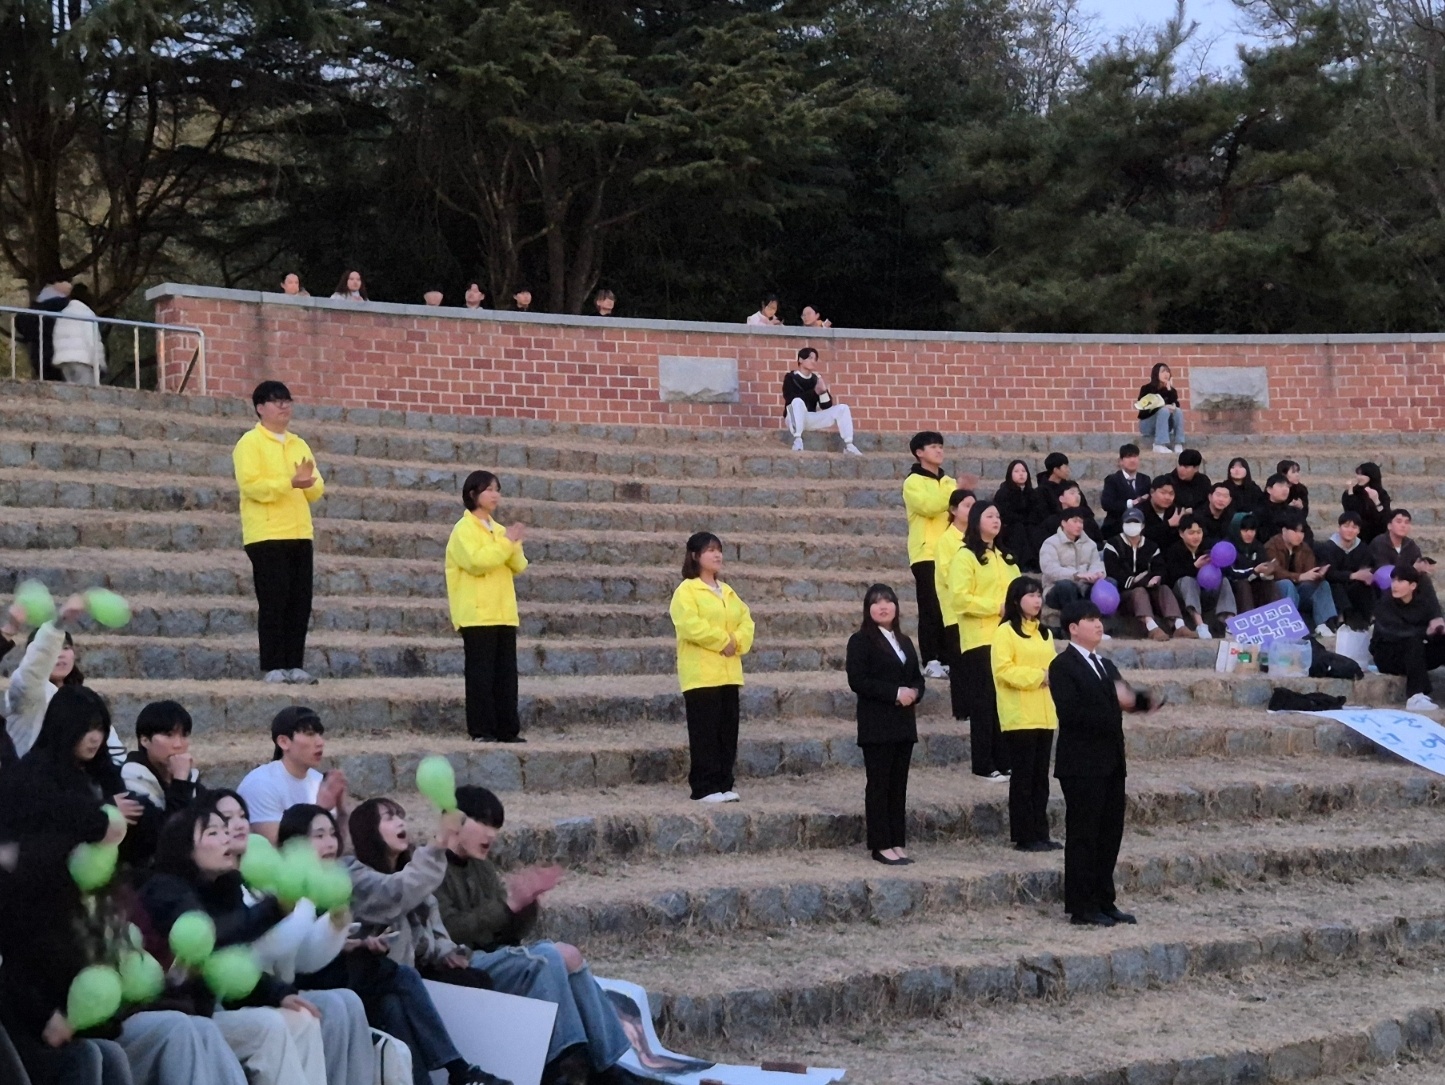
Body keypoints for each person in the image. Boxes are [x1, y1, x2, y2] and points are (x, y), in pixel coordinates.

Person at [436, 787, 649, 1085]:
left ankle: (607, 1064)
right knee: (548, 957)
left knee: (569, 955)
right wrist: (508, 905)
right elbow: (450, 930)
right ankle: (567, 1061)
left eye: (495, 827)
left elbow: (506, 934)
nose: (491, 834)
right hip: (457, 964)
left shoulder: (482, 867)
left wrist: (525, 905)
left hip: (491, 956)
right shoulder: (429, 868)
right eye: (483, 824)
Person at [278, 807, 500, 1085]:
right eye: (319, 835)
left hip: (354, 973)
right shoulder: (299, 882)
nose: (330, 842)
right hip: (312, 981)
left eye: (333, 834)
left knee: (393, 1003)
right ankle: (458, 1069)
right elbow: (392, 894)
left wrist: (356, 944)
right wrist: (437, 844)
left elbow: (429, 924)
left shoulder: (341, 873)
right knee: (400, 976)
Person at [139, 808, 328, 1085]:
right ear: (185, 847)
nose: (226, 838)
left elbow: (228, 965)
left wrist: (277, 993)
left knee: (302, 1018)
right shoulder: (165, 889)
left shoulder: (221, 888)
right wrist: (275, 908)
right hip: (172, 1019)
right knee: (269, 1027)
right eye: (213, 832)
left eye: (226, 830)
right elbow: (210, 939)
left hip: (207, 1013)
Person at [344, 799, 510, 1015]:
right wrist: (440, 841)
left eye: (400, 816)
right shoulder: (355, 874)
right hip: (385, 980)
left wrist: (447, 953)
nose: (400, 822)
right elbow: (396, 892)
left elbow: (435, 928)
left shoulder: (409, 872)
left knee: (476, 979)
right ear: (368, 829)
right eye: (389, 818)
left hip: (420, 971)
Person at [1049, 600, 1155, 926]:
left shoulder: (1106, 665)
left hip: (1111, 761)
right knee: (1084, 834)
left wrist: (1143, 702)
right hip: (1081, 764)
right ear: (1073, 628)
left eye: (1098, 618)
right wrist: (1115, 700)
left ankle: (1104, 900)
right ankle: (1081, 906)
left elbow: (1125, 700)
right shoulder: (1062, 666)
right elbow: (1071, 713)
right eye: (1090, 619)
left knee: (1110, 833)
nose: (1098, 624)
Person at [233, 380, 324, 684]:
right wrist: (290, 483)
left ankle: (295, 663)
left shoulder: (299, 444)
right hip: (266, 534)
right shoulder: (250, 443)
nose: (284, 406)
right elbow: (252, 486)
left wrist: (308, 483)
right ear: (260, 408)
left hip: (299, 532)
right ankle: (273, 665)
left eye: (287, 400)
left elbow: (316, 488)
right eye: (276, 401)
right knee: (274, 600)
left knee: (300, 600)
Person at [669, 532, 754, 803]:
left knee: (727, 732)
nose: (717, 555)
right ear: (695, 556)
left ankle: (724, 783)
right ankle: (704, 787)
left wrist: (736, 641)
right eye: (710, 550)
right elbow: (689, 626)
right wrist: (723, 641)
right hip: (701, 674)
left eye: (719, 550)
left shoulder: (728, 591)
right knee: (704, 732)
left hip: (728, 672)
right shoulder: (686, 591)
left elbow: (746, 621)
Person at [446, 471, 529, 744]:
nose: (495, 495)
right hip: (477, 613)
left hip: (503, 612)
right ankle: (482, 730)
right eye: (489, 490)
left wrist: (513, 543)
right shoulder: (463, 529)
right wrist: (506, 544)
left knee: (506, 676)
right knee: (480, 676)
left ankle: (507, 729)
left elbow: (519, 565)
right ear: (473, 494)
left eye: (497, 489)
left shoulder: (499, 530)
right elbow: (477, 562)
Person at [845, 585, 924, 865]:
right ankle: (880, 844)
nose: (883, 606)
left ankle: (897, 841)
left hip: (903, 724)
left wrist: (915, 692)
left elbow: (916, 676)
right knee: (879, 785)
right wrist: (895, 693)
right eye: (876, 602)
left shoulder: (904, 640)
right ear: (868, 609)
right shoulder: (860, 641)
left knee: (898, 785)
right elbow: (858, 680)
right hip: (877, 725)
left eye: (888, 601)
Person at [3, 594, 123, 764]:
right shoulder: (27, 692)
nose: (60, 655)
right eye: (54, 649)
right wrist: (58, 624)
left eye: (66, 648)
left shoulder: (85, 698)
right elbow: (35, 667)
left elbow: (114, 751)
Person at [949, 501, 1019, 780]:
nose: (996, 520)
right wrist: (996, 607)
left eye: (998, 516)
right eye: (990, 516)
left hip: (1007, 638)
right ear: (976, 521)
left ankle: (1003, 759)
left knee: (1003, 701)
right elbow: (960, 598)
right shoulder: (965, 556)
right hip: (980, 639)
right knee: (984, 702)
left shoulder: (1005, 557)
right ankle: (983, 763)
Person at [993, 577, 1060, 852]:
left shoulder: (1045, 633)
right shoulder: (1005, 632)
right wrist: (1039, 677)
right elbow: (1003, 671)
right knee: (1023, 778)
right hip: (1019, 715)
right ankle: (1024, 835)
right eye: (1030, 595)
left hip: (1045, 714)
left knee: (1040, 778)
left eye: (1039, 595)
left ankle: (1040, 832)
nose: (1036, 600)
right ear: (1016, 599)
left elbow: (1054, 667)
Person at [236, 706, 350, 845]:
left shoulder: (318, 781)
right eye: (309, 734)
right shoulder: (261, 785)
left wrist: (342, 812)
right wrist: (320, 810)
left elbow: (337, 848)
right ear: (284, 742)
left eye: (320, 734)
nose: (320, 742)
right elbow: (279, 848)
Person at [903, 432, 956, 678]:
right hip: (925, 553)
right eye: (933, 446)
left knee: (948, 606)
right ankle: (931, 659)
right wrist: (954, 496)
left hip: (950, 553)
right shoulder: (913, 482)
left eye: (940, 446)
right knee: (929, 607)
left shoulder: (949, 481)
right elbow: (930, 506)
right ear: (919, 452)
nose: (939, 450)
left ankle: (947, 658)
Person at [1102, 508, 1186, 640]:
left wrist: (1156, 578)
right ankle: (1152, 627)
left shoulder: (1151, 546)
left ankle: (1179, 625)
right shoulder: (1113, 545)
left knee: (1164, 588)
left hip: (1149, 590)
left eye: (1136, 522)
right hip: (1124, 594)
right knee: (1139, 591)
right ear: (1122, 524)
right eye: (1128, 522)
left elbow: (1160, 567)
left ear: (1142, 526)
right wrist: (1138, 581)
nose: (1132, 526)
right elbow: (1114, 572)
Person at [1370, 566, 1445, 711]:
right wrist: (1425, 632)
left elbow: (1431, 631)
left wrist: (1438, 631)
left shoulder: (1423, 604)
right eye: (1393, 580)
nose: (1395, 585)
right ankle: (1415, 696)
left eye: (1400, 581)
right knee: (1413, 641)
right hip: (1388, 656)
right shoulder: (1385, 604)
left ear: (1413, 586)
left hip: (1415, 656)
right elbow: (1394, 632)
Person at [1264, 513, 1338, 639]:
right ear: (1284, 530)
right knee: (1286, 584)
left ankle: (1323, 624)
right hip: (1277, 591)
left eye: (1302, 532)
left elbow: (1308, 572)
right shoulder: (1271, 546)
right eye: (1295, 531)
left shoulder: (1304, 548)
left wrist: (1317, 574)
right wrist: (1299, 577)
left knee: (1322, 585)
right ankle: (1290, 624)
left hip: (1299, 591)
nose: (1299, 535)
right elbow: (1276, 572)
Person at [934, 490, 974, 722]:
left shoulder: (976, 538)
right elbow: (950, 575)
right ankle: (961, 710)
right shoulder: (946, 540)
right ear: (953, 510)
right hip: (955, 611)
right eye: (967, 505)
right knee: (959, 664)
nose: (971, 510)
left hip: (976, 611)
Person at [1163, 515, 1235, 639]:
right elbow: (1171, 576)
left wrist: (1216, 564)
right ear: (1181, 533)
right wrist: (1195, 566)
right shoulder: (1174, 550)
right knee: (1188, 580)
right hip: (1183, 595)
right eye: (1191, 533)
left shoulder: (1208, 548)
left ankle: (1230, 623)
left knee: (1224, 581)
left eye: (1199, 532)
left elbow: (1228, 571)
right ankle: (1200, 625)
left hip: (1207, 592)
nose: (1196, 536)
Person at [781, 348, 861, 455]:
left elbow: (826, 406)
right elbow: (790, 398)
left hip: (810, 417)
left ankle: (849, 445)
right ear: (800, 360)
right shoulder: (791, 378)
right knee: (797, 402)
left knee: (843, 408)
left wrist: (823, 392)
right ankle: (797, 441)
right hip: (793, 417)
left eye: (815, 359)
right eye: (810, 358)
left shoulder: (816, 379)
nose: (813, 361)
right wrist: (815, 392)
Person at [1315, 512, 1376, 631]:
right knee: (1335, 585)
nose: (1350, 530)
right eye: (1346, 526)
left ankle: (1371, 618)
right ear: (1339, 528)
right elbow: (1330, 574)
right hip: (1336, 585)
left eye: (1354, 527)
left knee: (1365, 586)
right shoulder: (1328, 548)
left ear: (1359, 530)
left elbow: (1366, 569)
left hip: (1355, 586)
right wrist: (1352, 575)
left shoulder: (1363, 548)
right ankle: (1341, 619)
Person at [1038, 508, 1105, 612]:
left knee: (1108, 583)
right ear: (1063, 523)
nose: (1079, 525)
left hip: (1083, 587)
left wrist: (1096, 574)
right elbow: (1050, 570)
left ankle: (1096, 618)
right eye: (1075, 521)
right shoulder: (1050, 543)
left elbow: (1096, 564)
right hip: (1056, 589)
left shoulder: (1090, 544)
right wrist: (1075, 575)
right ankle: (1073, 619)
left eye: (1081, 522)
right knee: (1066, 586)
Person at [14, 273, 73, 380]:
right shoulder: (64, 306)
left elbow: (22, 325)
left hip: (40, 355)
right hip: (61, 355)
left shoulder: (34, 310)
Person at [52, 282, 106, 385]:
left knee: (71, 390)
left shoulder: (63, 313)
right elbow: (92, 340)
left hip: (64, 360)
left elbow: (56, 336)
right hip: (82, 359)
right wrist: (99, 361)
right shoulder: (87, 313)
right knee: (86, 390)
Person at [993, 459, 1041, 573]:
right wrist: (1021, 519)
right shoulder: (1003, 493)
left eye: (1024, 471)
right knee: (1018, 529)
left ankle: (1035, 562)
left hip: (1028, 524)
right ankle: (1022, 562)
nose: (1021, 474)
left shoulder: (1032, 493)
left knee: (1035, 530)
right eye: (1016, 471)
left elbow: (1037, 512)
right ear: (1010, 474)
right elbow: (1004, 513)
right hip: (1010, 526)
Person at [1031, 483, 1102, 556]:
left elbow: (1099, 542)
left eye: (1078, 493)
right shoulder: (1052, 521)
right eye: (1072, 493)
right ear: (1061, 498)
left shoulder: (1088, 519)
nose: (1077, 496)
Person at [1224, 514, 1275, 614]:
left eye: (1252, 530)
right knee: (1243, 585)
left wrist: (1267, 570)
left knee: (1269, 584)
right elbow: (1231, 572)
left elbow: (1262, 563)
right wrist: (1254, 570)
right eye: (1245, 530)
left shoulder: (1257, 546)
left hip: (1253, 584)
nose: (1249, 534)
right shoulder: (1228, 547)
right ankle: (1248, 617)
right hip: (1233, 588)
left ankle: (1276, 616)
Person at [1099, 444, 1150, 537]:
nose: (1132, 460)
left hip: (1141, 525)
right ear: (1121, 461)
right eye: (1128, 457)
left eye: (1135, 456)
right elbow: (1107, 504)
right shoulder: (1112, 480)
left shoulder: (1145, 479)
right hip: (1117, 525)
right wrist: (1131, 503)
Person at [1368, 509, 1433, 578]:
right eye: (1399, 522)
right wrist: (1413, 569)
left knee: (1424, 579)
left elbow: (1417, 562)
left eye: (1406, 522)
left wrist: (1422, 567)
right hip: (1382, 580)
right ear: (1389, 526)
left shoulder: (1410, 544)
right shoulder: (1379, 543)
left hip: (1406, 580)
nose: (1403, 525)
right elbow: (1383, 571)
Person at [1135, 362, 1184, 453]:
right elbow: (1143, 409)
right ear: (1156, 373)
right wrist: (1162, 407)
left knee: (1178, 411)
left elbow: (1176, 404)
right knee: (1164, 410)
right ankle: (1159, 444)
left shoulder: (1171, 390)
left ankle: (1178, 443)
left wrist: (1169, 391)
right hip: (1148, 423)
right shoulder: (1146, 388)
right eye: (1163, 371)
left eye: (1167, 371)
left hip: (1165, 425)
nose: (1166, 374)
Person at [1342, 463, 1392, 544]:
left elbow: (1385, 518)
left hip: (1377, 536)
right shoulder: (1352, 492)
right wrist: (1350, 492)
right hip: (1357, 537)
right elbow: (1351, 513)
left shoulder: (1382, 494)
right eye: (1358, 474)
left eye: (1362, 475)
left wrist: (1376, 501)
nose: (1358, 477)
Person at [1258, 473, 1306, 544]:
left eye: (1287, 486)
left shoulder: (1294, 511)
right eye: (1280, 486)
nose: (1285, 489)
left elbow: (1306, 532)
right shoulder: (1260, 512)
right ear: (1269, 489)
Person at [1139, 476, 1182, 550]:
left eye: (1171, 493)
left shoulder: (1175, 511)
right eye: (1163, 493)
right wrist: (1168, 524)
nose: (1167, 497)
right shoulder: (1140, 511)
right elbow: (1141, 536)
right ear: (1152, 492)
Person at [1166, 450, 1211, 517]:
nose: (1181, 470)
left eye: (1186, 467)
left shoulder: (1203, 481)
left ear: (1196, 468)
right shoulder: (1168, 480)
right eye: (1180, 465)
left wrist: (1194, 512)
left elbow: (1207, 503)